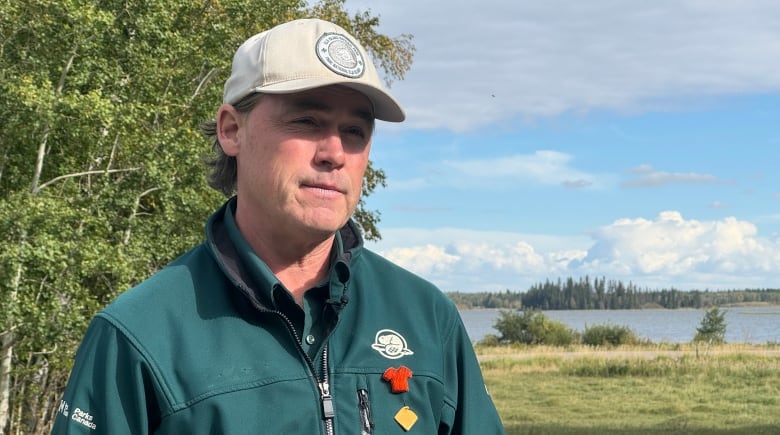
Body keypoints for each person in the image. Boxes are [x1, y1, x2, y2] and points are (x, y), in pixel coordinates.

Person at [52, 18, 505, 434]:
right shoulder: (138, 334)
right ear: (231, 130)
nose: (334, 152)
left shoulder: (425, 315)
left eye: (355, 132)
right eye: (306, 121)